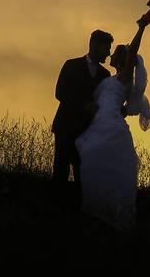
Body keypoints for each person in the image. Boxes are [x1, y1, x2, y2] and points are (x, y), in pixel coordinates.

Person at [74, 10, 150, 232]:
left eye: (114, 53)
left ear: (122, 59)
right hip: (99, 123)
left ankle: (111, 218)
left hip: (111, 128)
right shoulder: (107, 79)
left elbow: (133, 52)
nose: (109, 55)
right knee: (93, 168)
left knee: (107, 169)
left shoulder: (124, 77)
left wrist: (142, 26)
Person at [51, 29, 113, 203]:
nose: (108, 53)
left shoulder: (105, 75)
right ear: (94, 45)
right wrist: (84, 106)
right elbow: (60, 92)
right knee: (60, 172)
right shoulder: (71, 64)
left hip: (87, 132)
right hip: (66, 127)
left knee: (83, 174)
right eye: (106, 49)